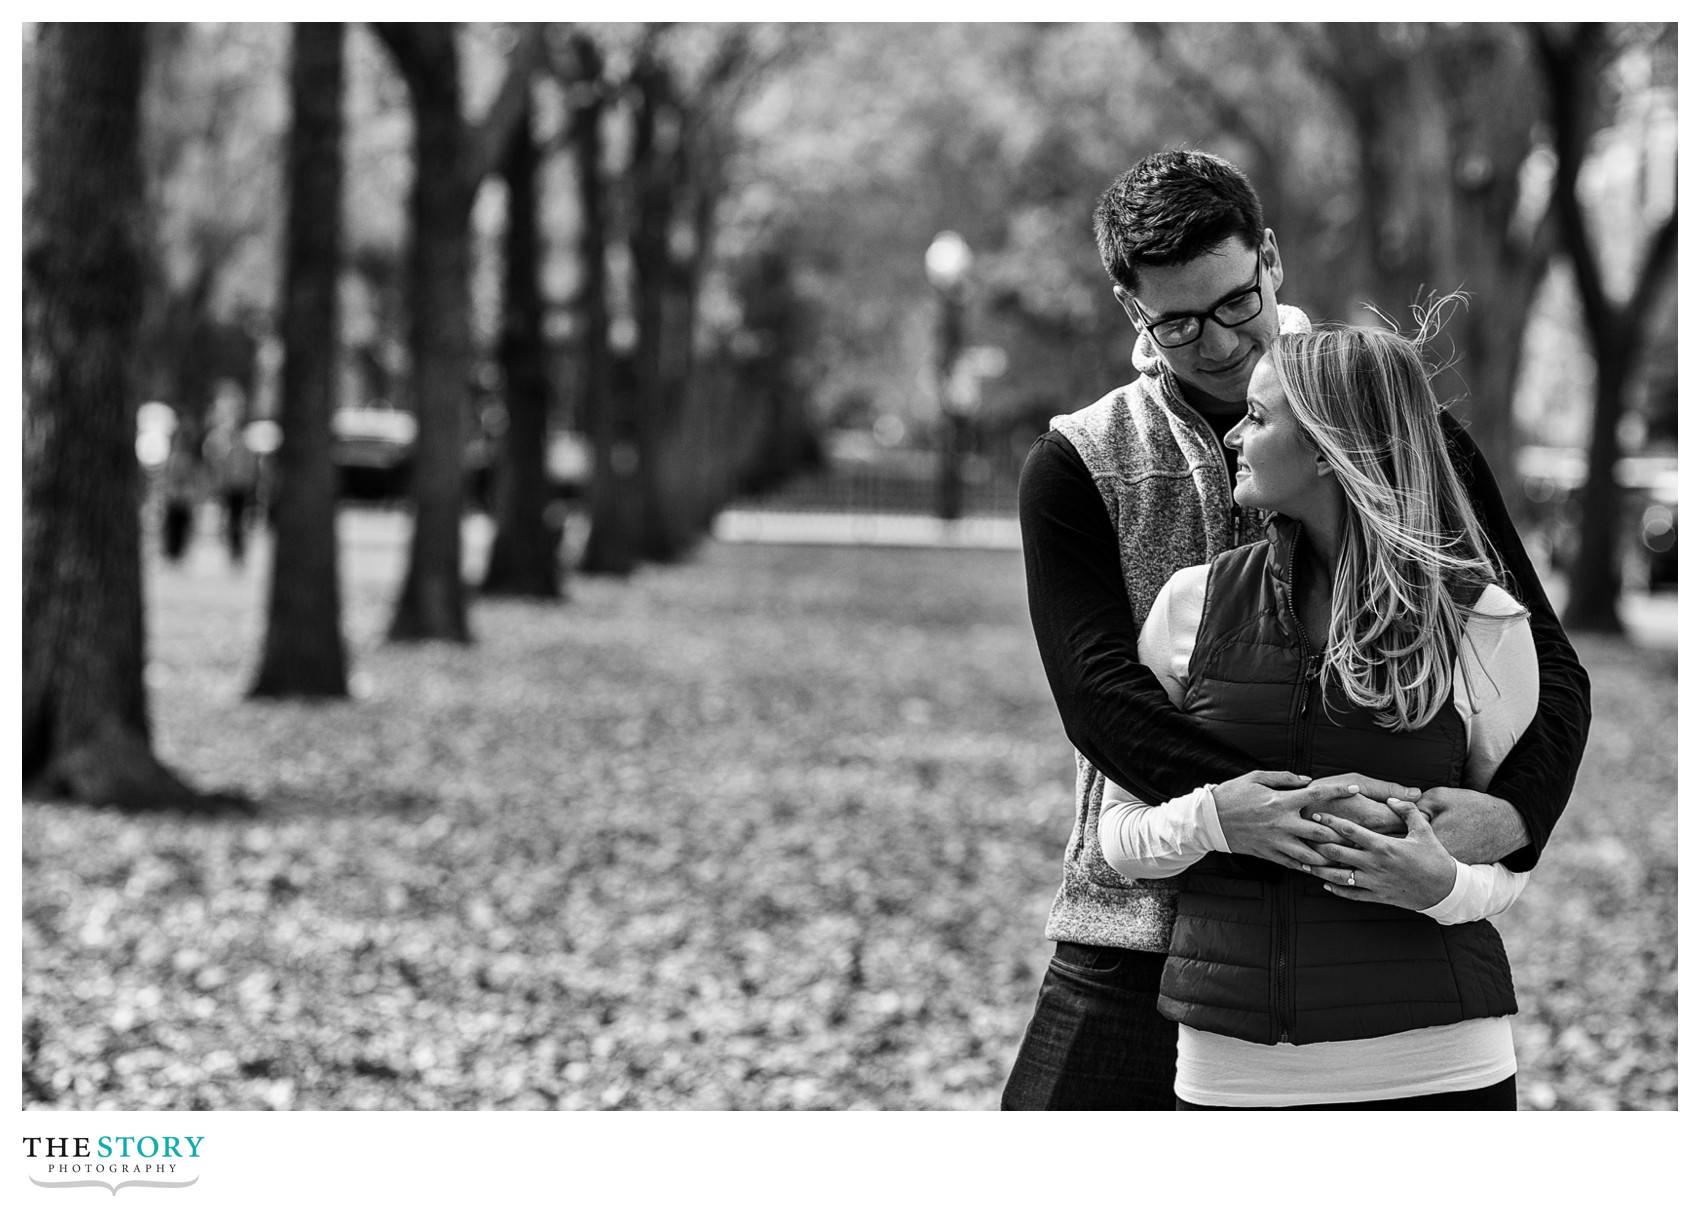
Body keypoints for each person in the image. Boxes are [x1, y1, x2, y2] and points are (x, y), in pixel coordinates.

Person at [1001, 150, 1591, 1110]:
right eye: (1179, 322)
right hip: (1136, 920)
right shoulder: (1081, 463)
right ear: (1131, 310)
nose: (1223, 342)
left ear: (1270, 258)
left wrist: (1518, 816)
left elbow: (1544, 665)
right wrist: (1253, 815)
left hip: (1371, 926)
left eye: (1237, 303)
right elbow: (1099, 700)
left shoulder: (1411, 437)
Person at [1099, 319, 1540, 1108]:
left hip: (1445, 1067)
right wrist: (1217, 819)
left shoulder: (1485, 622)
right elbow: (1119, 839)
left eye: (1261, 418)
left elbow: (1503, 859)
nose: (1235, 431)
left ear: (1329, 452)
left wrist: (1437, 886)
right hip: (1234, 1076)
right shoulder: (1190, 607)